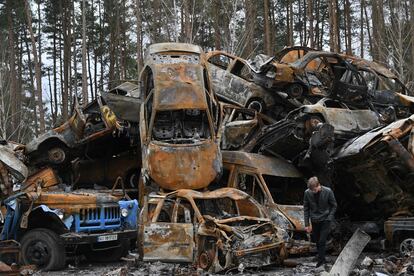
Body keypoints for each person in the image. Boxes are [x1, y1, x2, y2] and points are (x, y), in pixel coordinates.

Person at [303, 176, 337, 267]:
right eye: (311, 190)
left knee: (322, 241)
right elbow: (306, 208)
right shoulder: (307, 193)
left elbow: (334, 205)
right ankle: (322, 257)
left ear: (319, 185)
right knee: (317, 241)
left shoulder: (328, 191)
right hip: (314, 220)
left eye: (314, 190)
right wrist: (306, 224)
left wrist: (329, 217)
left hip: (325, 219)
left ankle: (321, 262)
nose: (313, 191)